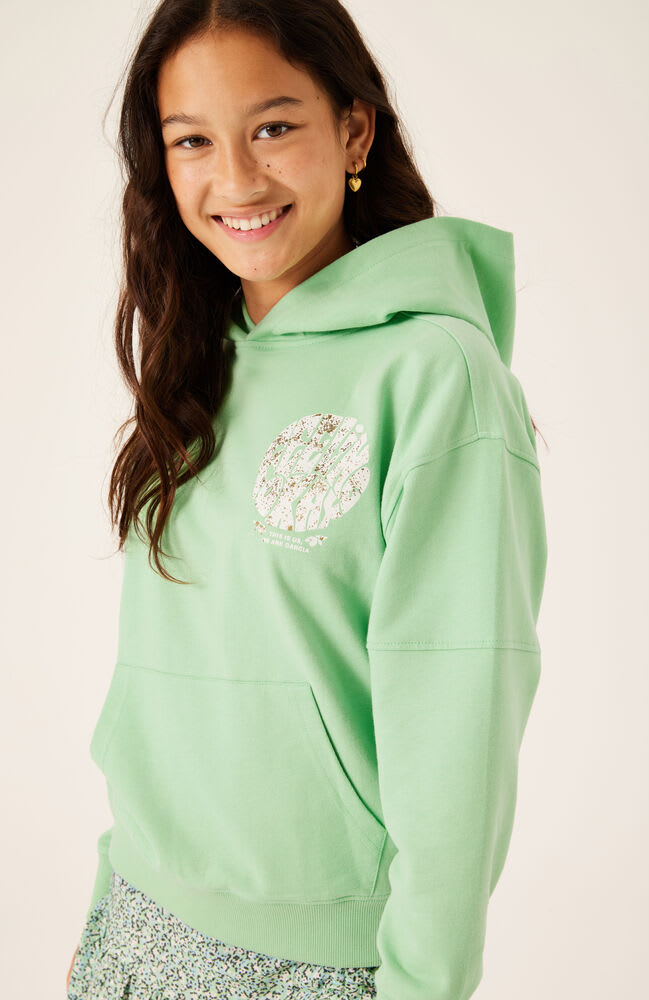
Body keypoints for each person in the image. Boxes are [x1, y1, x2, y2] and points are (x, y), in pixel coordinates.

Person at [66, 1, 548, 998]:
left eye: (273, 127)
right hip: (135, 927)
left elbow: (457, 721)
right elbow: (167, 679)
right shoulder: (198, 364)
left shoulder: (435, 377)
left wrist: (422, 983)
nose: (236, 179)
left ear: (354, 130)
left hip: (317, 963)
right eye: (192, 140)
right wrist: (107, 906)